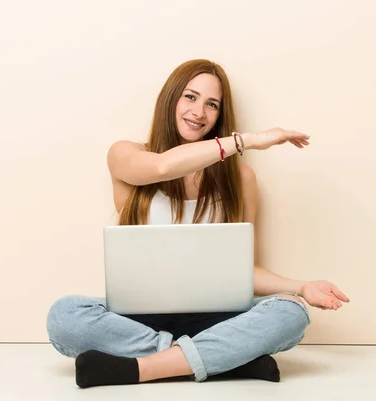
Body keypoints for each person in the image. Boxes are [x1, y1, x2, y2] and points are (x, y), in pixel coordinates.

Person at [46, 59, 350, 388]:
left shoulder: (241, 178)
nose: (199, 112)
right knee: (65, 316)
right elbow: (163, 167)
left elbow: (241, 271)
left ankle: (144, 367)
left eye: (212, 104)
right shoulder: (126, 154)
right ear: (171, 99)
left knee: (292, 312)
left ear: (220, 114)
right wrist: (245, 141)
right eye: (190, 97)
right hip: (141, 316)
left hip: (216, 316)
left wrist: (301, 287)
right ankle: (223, 360)